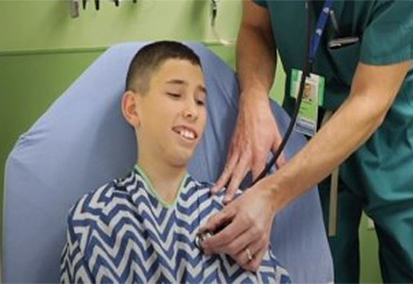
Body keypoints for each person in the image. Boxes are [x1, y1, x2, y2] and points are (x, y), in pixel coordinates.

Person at [199, 1, 413, 282]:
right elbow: (255, 27)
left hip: (392, 137)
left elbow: (370, 101)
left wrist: (271, 194)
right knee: (313, 266)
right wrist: (253, 97)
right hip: (304, 129)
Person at [60, 41, 290, 283]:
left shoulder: (230, 212)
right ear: (132, 108)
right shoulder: (93, 218)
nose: (192, 111)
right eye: (175, 94)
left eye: (200, 101)